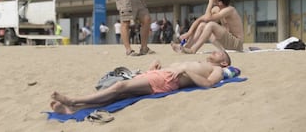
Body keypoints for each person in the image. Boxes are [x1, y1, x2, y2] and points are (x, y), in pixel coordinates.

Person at [50, 50, 232, 114]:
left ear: (224, 62)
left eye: (219, 53)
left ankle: (73, 100)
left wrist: (186, 72)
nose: (215, 52)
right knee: (120, 94)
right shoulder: (202, 61)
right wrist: (153, 68)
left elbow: (209, 84)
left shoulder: (217, 70)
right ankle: (74, 110)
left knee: (120, 87)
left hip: (168, 80)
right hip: (159, 75)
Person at [171, 0, 244, 54]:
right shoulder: (217, 9)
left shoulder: (230, 10)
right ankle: (187, 47)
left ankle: (193, 50)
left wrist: (210, 2)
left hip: (237, 43)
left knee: (211, 25)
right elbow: (202, 19)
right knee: (202, 25)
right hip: (227, 41)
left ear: (220, 2)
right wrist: (189, 33)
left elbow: (208, 18)